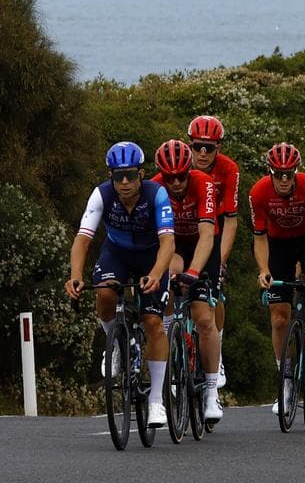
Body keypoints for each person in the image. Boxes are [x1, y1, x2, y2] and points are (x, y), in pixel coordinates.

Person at [65, 142, 175, 428]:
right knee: (104, 293)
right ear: (110, 175)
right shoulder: (101, 195)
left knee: (153, 321)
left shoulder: (157, 194)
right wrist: (76, 274)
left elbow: (168, 242)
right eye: (117, 176)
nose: (123, 182)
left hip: (152, 254)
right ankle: (114, 345)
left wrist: (156, 272)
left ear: (141, 174)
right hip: (117, 253)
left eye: (129, 175)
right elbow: (83, 238)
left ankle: (156, 401)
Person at [250, 142, 305, 414]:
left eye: (289, 174)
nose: (285, 180)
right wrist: (263, 269)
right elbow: (260, 238)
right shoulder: (259, 192)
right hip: (278, 247)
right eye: (279, 174)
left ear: (296, 172)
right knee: (278, 317)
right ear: (270, 172)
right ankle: (286, 380)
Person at [151, 139, 224, 421]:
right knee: (168, 276)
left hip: (203, 245)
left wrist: (194, 272)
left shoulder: (204, 184)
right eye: (171, 178)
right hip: (173, 243)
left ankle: (210, 392)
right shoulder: (157, 188)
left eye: (182, 176)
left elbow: (207, 235)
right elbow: (159, 240)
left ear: (189, 170)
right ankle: (170, 332)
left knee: (204, 318)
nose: (177, 182)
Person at [186, 115, 239, 388]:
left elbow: (230, 218)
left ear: (219, 147)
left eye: (209, 147)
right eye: (197, 146)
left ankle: (216, 353)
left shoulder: (228, 169)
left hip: (215, 230)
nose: (203, 153)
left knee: (214, 291)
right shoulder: (179, 166)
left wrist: (222, 259)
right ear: (190, 145)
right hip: (184, 229)